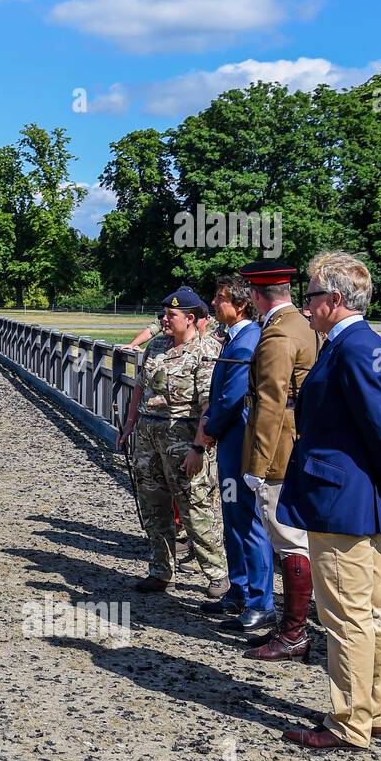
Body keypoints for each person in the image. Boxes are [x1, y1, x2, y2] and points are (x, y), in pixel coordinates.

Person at [277, 252, 381, 750]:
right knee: (374, 611)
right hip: (365, 499)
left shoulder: (352, 348)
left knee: (345, 617)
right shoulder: (369, 343)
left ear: (334, 300)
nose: (306, 304)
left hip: (343, 501)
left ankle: (349, 722)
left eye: (312, 295)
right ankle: (372, 712)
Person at [118, 287, 229, 596]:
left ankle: (218, 575)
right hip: (148, 436)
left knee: (195, 507)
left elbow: (209, 406)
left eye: (171, 315)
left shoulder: (205, 350)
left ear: (191, 318)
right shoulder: (157, 346)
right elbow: (140, 387)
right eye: (164, 314)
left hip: (184, 437)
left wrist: (198, 447)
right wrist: (129, 425)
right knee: (153, 506)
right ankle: (160, 570)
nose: (163, 320)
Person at [237, 260, 320, 662]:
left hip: (279, 451)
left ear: (255, 296)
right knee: (293, 541)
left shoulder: (277, 334)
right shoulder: (303, 324)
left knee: (288, 542)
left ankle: (294, 634)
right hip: (299, 442)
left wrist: (256, 465)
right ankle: (292, 629)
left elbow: (270, 402)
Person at [197, 276, 276, 632]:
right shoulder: (235, 337)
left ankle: (261, 601)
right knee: (232, 516)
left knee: (247, 520)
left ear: (241, 305)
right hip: (230, 442)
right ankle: (239, 589)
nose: (214, 302)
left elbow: (230, 398)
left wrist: (208, 432)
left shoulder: (245, 342)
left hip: (238, 442)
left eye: (221, 297)